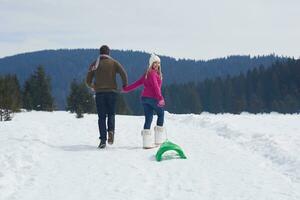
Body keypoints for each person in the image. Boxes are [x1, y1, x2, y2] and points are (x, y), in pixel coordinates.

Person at [86, 45, 128, 149]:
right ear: (109, 53)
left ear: (100, 53)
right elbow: (123, 74)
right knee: (111, 114)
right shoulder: (114, 62)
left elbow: (88, 80)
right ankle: (111, 131)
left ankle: (103, 140)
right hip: (112, 92)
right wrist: (124, 85)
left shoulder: (95, 63)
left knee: (101, 117)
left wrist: (92, 86)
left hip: (100, 93)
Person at [122, 53, 165, 149]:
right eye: (155, 63)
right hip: (153, 98)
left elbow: (136, 83)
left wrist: (126, 89)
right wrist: (160, 98)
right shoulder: (153, 73)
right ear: (151, 64)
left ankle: (146, 144)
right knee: (161, 114)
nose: (157, 65)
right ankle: (158, 141)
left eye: (158, 63)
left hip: (144, 99)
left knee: (148, 118)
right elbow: (155, 86)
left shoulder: (146, 74)